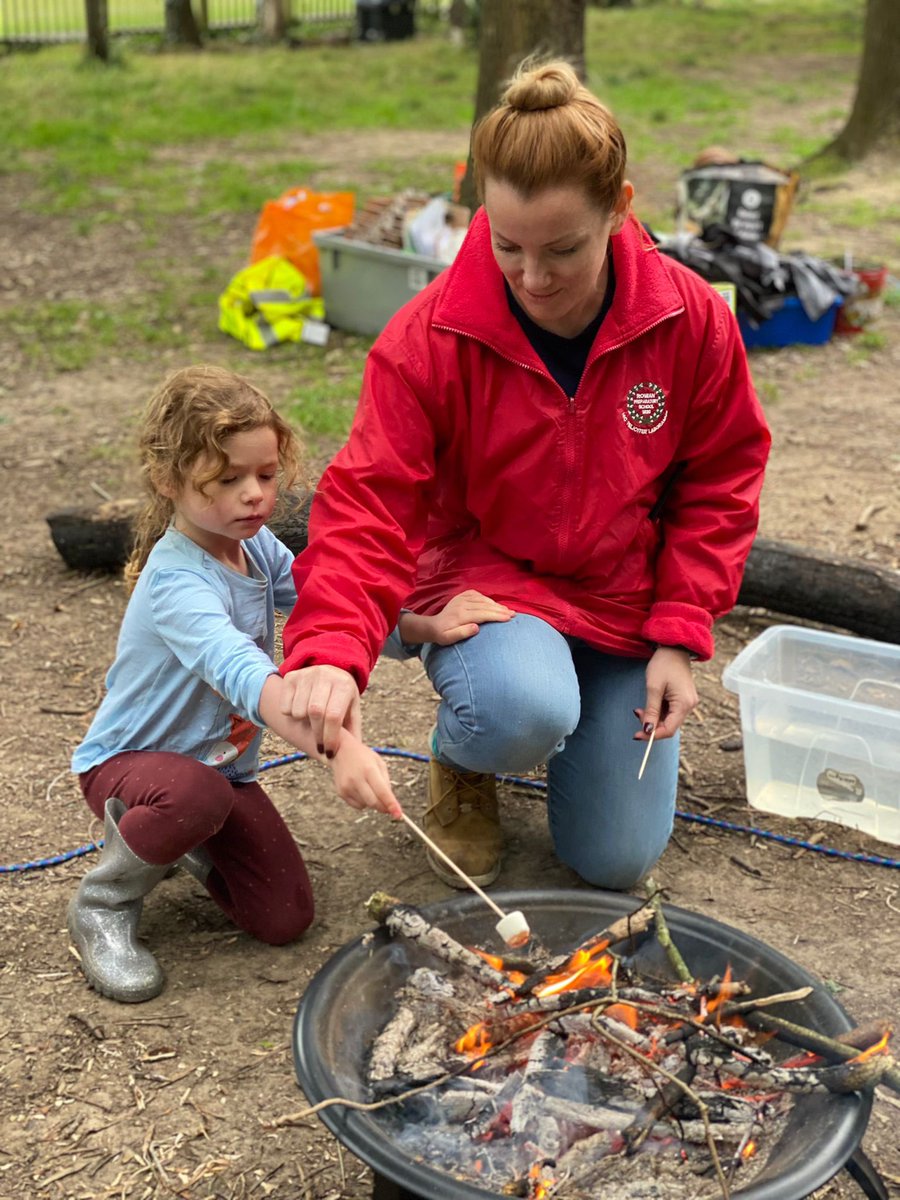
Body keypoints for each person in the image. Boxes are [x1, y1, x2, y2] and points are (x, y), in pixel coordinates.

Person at [277, 59, 770, 892]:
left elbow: (721, 481)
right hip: (490, 585)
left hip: (620, 598)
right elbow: (369, 502)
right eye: (508, 247)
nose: (533, 278)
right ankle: (467, 754)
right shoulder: (427, 337)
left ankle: (571, 721)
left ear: (620, 207)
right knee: (521, 710)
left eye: (563, 249)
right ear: (481, 212)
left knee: (614, 860)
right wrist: (329, 648)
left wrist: (680, 631)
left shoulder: (690, 321)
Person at [68, 365, 401, 1004]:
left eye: (266, 475)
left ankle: (179, 838)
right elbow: (246, 676)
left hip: (220, 771)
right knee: (193, 793)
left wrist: (417, 625)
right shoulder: (177, 584)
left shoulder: (256, 547)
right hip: (130, 764)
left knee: (283, 917)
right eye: (227, 480)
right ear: (169, 481)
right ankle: (103, 904)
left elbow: (326, 600)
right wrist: (338, 748)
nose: (254, 495)